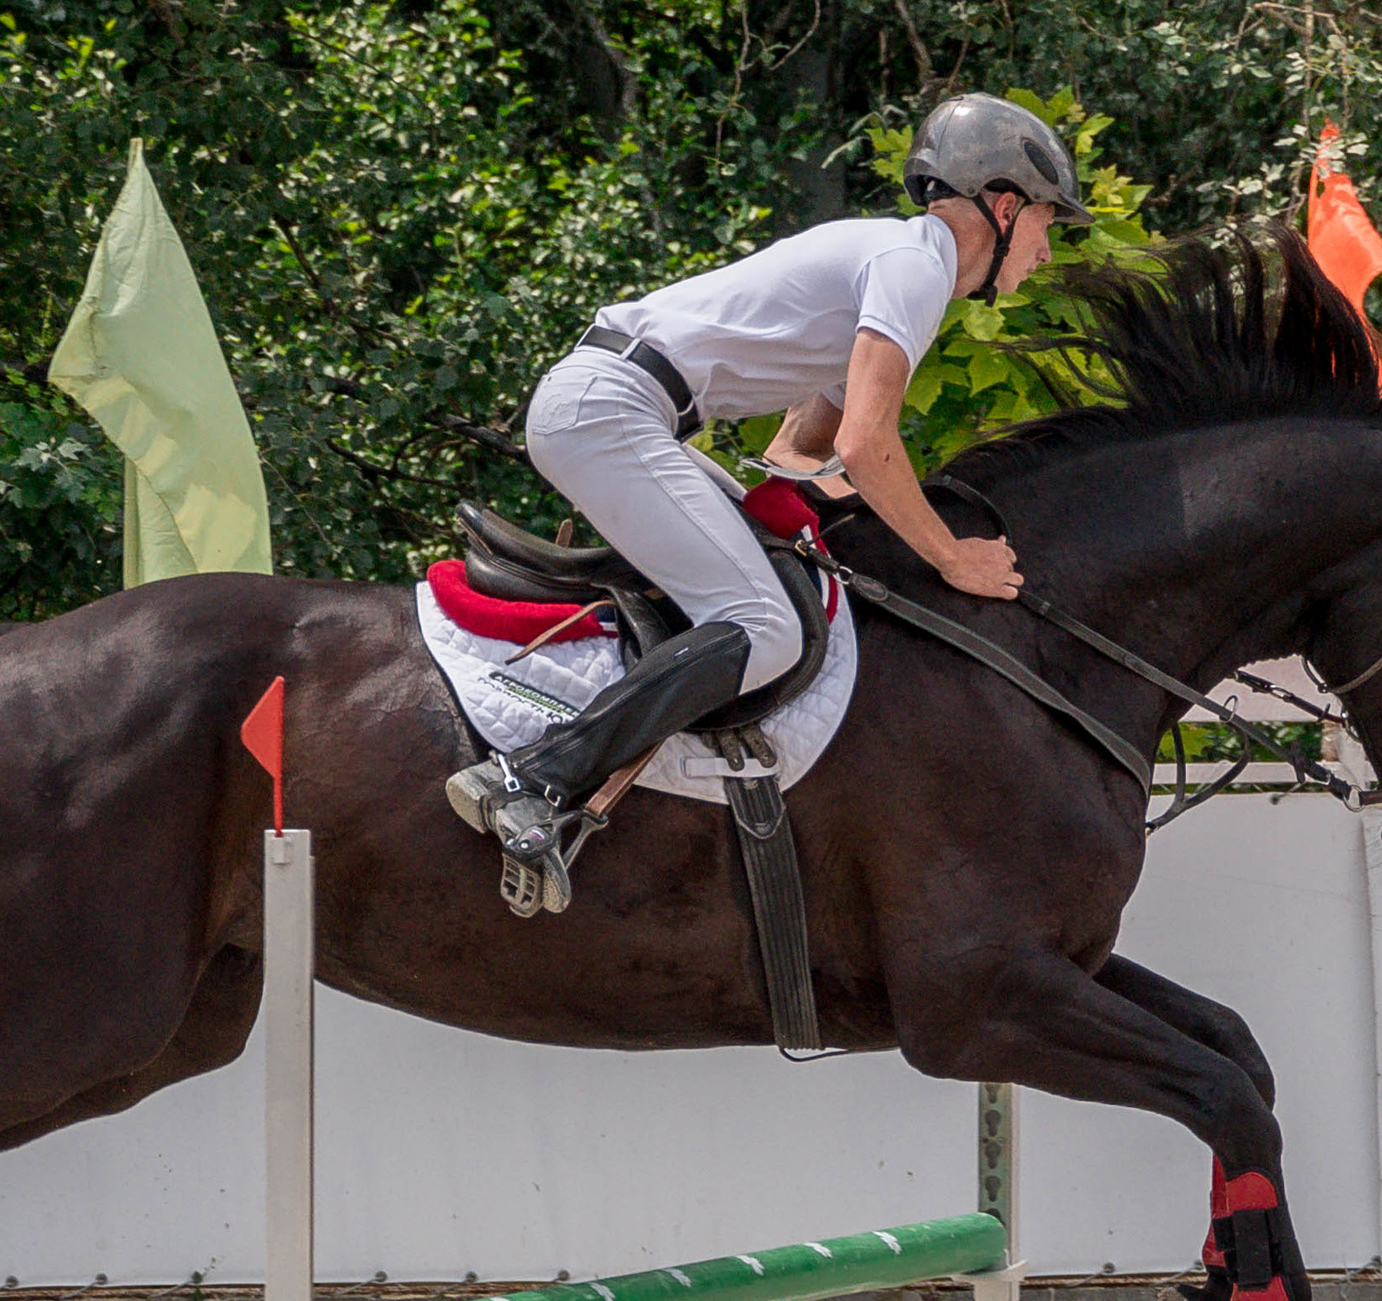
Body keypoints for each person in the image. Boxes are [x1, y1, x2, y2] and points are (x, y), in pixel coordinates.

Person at [446, 92, 1093, 914]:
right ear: (1003, 207)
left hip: (623, 408)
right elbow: (868, 445)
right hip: (611, 411)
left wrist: (831, 493)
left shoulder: (890, 262)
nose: (1044, 252)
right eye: (1045, 225)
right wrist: (951, 556)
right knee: (765, 629)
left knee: (767, 583)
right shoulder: (913, 269)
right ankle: (530, 779)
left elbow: (804, 449)